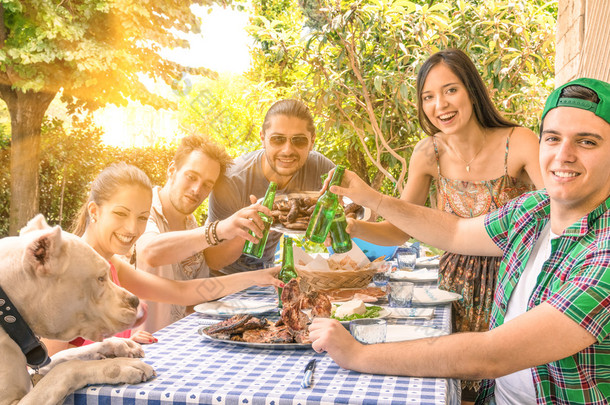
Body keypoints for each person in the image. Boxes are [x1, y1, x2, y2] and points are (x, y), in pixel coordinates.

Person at [309, 77, 610, 405]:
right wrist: (373, 199)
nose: (563, 155)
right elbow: (454, 232)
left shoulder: (604, 250)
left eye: (587, 142)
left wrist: (358, 355)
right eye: (552, 138)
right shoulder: (534, 210)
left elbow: (491, 355)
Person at [345, 50, 543, 378]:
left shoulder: (519, 142)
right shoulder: (428, 154)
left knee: (511, 380)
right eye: (428, 97)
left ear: (472, 90)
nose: (441, 105)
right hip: (453, 291)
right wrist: (354, 228)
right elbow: (399, 230)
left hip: (514, 286)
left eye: (451, 90)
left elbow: (557, 207)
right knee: (456, 382)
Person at [44, 162, 281, 355]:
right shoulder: (65, 269)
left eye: (141, 217)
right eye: (120, 213)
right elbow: (48, 365)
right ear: (94, 211)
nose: (131, 228)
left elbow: (181, 293)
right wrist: (111, 348)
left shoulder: (110, 264)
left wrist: (258, 277)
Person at [135, 135, 282, 332]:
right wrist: (220, 229)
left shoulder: (190, 223)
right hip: (138, 348)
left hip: (176, 342)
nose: (197, 189)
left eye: (207, 184)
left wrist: (260, 276)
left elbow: (196, 291)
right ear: (172, 170)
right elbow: (151, 253)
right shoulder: (142, 210)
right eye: (191, 177)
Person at [206, 99, 335, 275]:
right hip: (222, 279)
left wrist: (335, 221)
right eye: (277, 139)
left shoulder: (319, 168)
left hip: (266, 273)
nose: (287, 150)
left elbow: (363, 212)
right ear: (262, 138)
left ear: (312, 142)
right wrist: (246, 228)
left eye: (299, 141)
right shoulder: (232, 180)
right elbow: (213, 260)